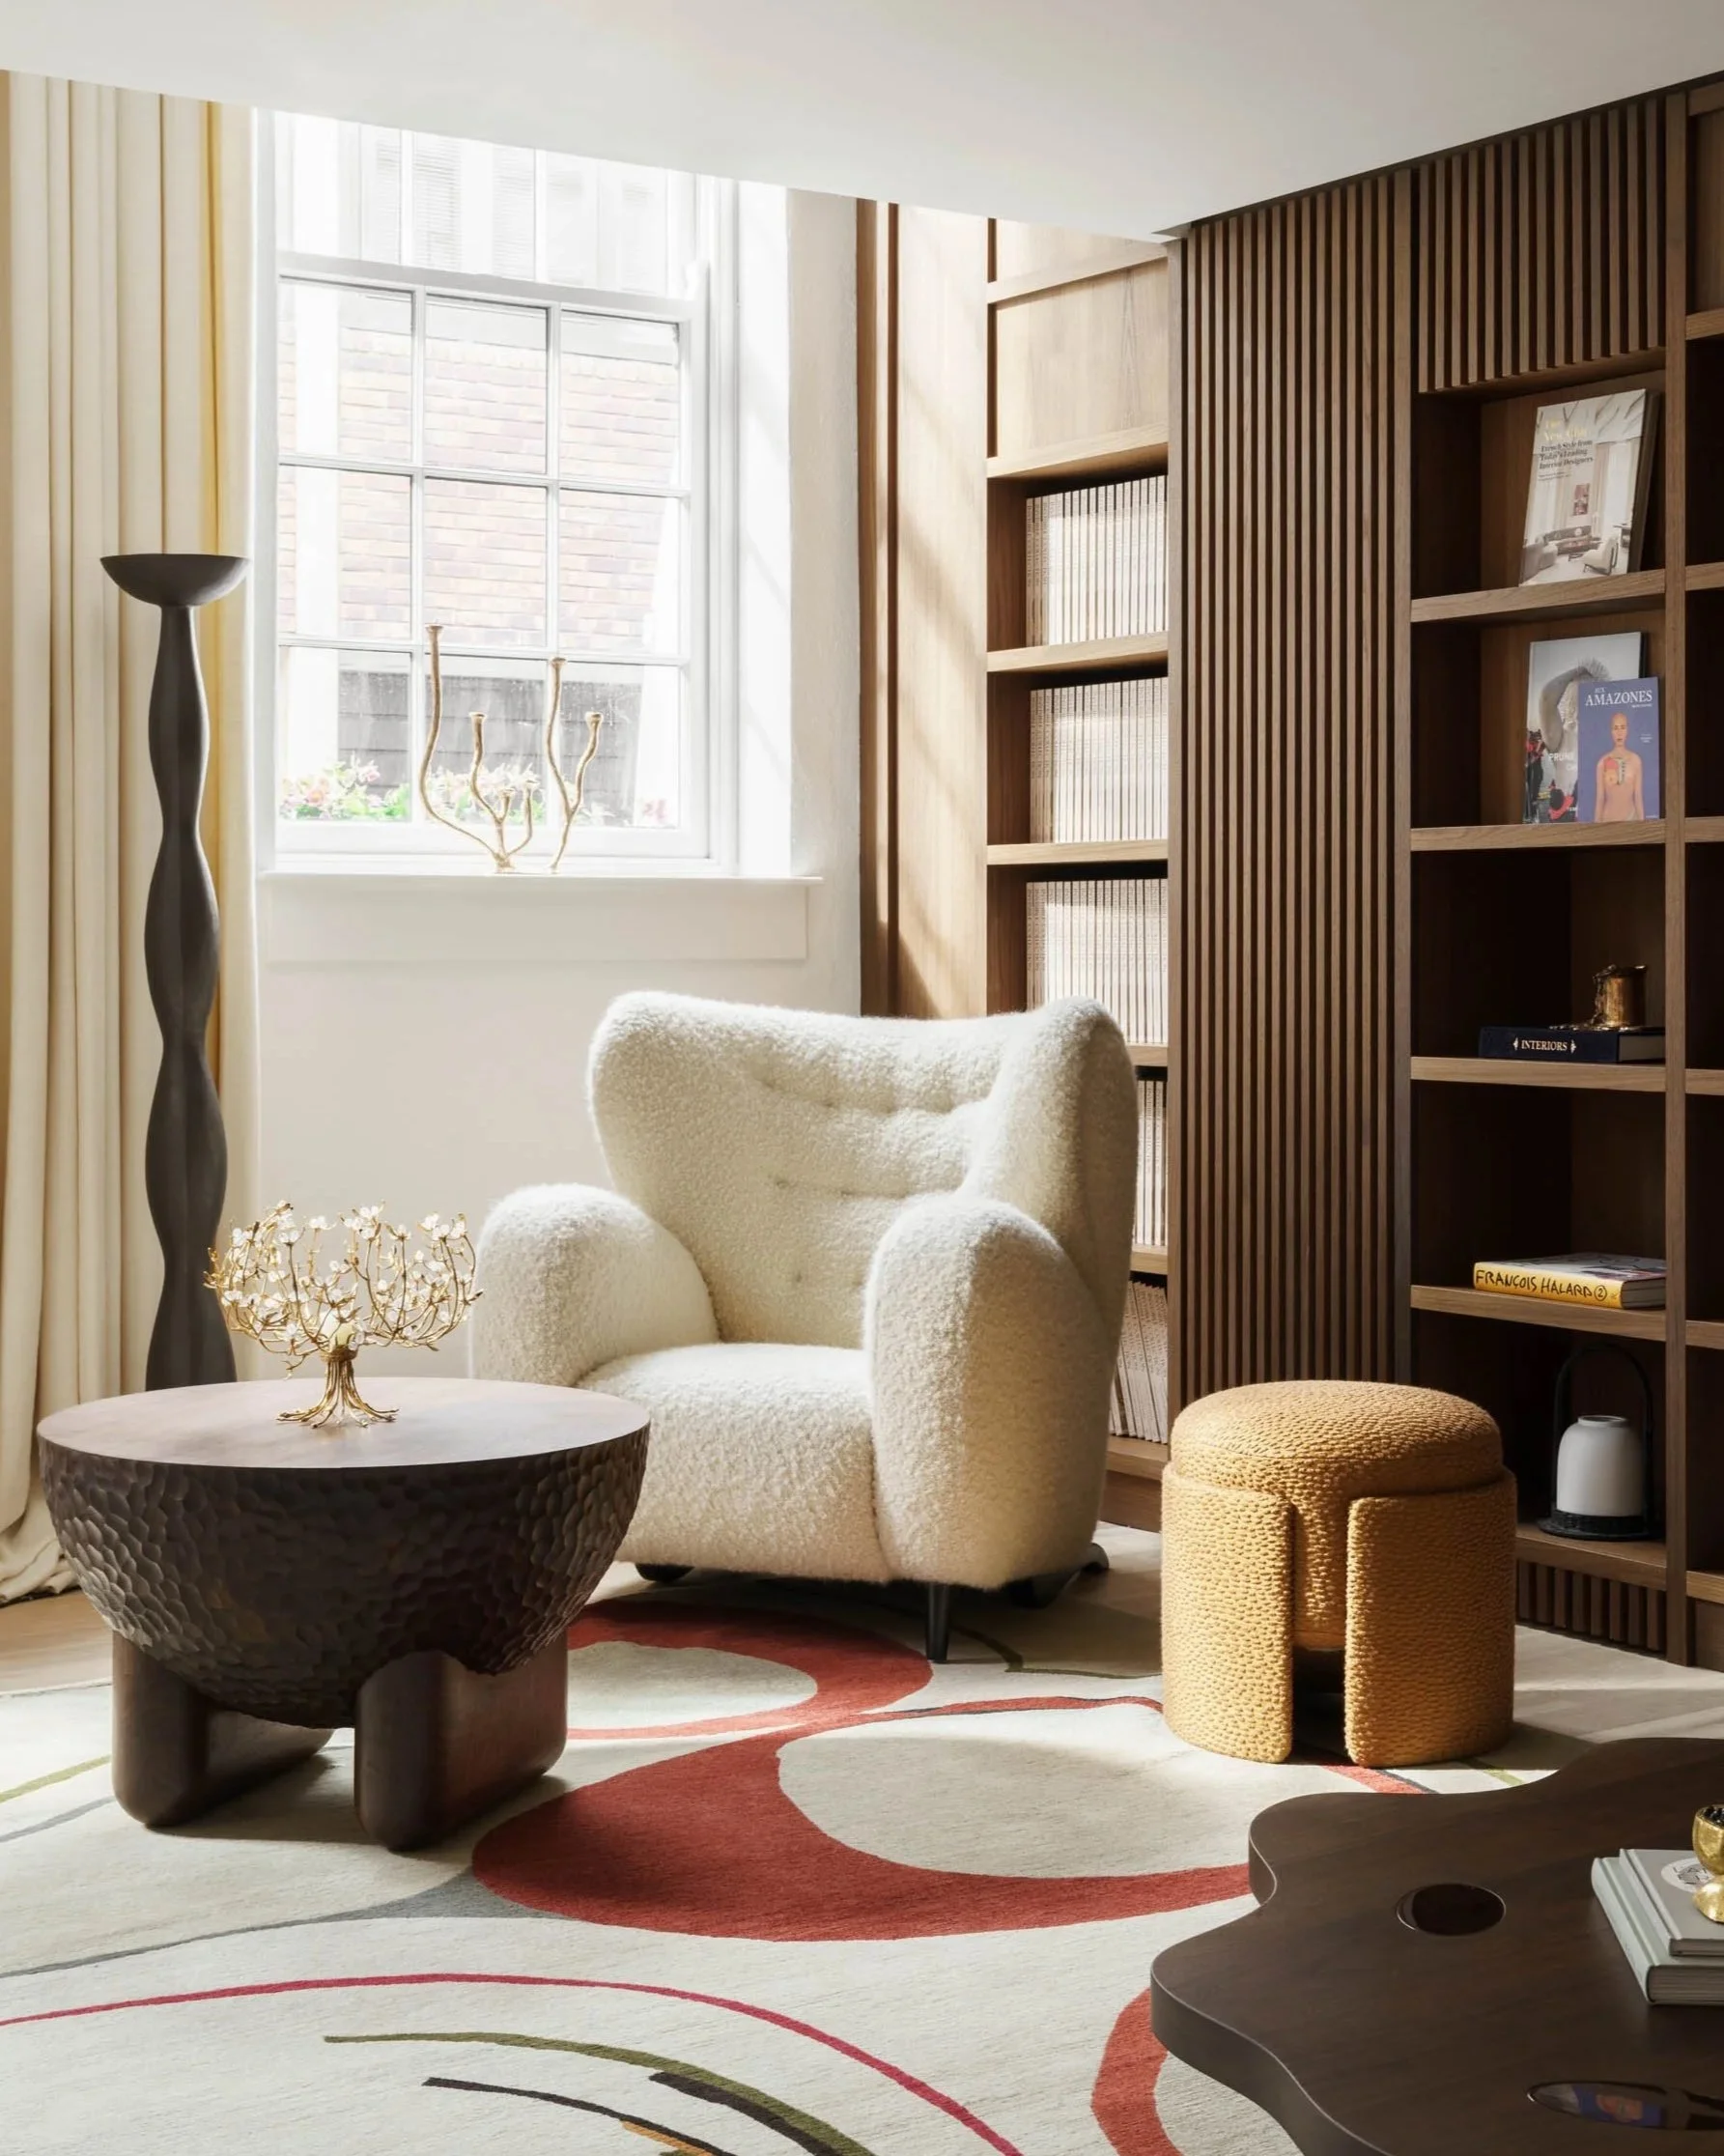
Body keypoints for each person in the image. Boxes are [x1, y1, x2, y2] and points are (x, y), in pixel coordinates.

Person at [1593, 705, 1645, 822]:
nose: (1619, 732)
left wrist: (1642, 826)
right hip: (1607, 822)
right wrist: (1596, 828)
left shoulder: (1636, 761)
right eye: (1616, 728)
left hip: (1631, 819)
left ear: (1627, 730)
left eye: (1622, 727)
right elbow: (1600, 798)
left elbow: (1638, 796)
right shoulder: (1602, 763)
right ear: (1611, 732)